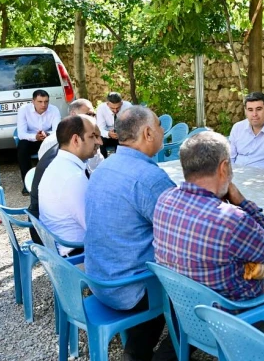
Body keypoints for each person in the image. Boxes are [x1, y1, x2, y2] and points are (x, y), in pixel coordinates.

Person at [153, 131, 264, 349]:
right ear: (224, 167)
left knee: (258, 273)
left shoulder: (164, 201)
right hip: (236, 321)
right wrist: (244, 203)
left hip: (190, 317)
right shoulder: (230, 219)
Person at [84, 106, 177, 361]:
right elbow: (184, 230)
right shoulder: (149, 178)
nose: (162, 131)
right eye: (159, 126)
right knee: (198, 281)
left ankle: (138, 349)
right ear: (148, 133)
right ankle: (164, 353)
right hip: (130, 290)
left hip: (98, 279)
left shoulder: (103, 167)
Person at [28, 99, 100, 244]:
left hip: (57, 247)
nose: (100, 142)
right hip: (75, 255)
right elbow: (96, 228)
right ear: (75, 140)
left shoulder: (60, 162)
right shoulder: (73, 177)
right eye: (93, 136)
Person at [16, 89, 61, 195]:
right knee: (22, 147)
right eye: (40, 102)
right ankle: (28, 184)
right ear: (33, 101)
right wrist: (35, 137)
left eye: (46, 101)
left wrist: (47, 135)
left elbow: (57, 131)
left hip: (49, 139)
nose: (43, 105)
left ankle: (54, 182)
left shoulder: (54, 110)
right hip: (31, 139)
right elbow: (21, 134)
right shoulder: (24, 110)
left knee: (59, 146)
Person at [37, 99, 102, 171]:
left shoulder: (93, 140)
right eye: (88, 114)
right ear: (73, 114)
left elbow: (99, 167)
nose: (92, 119)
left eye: (94, 115)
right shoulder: (51, 142)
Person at [96, 92, 133, 158]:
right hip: (107, 135)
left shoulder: (128, 106)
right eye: (112, 108)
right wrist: (108, 134)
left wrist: (123, 132)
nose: (115, 110)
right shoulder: (101, 108)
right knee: (100, 142)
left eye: (118, 108)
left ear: (121, 103)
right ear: (107, 104)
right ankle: (104, 161)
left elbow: (132, 124)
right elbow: (100, 128)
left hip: (123, 134)